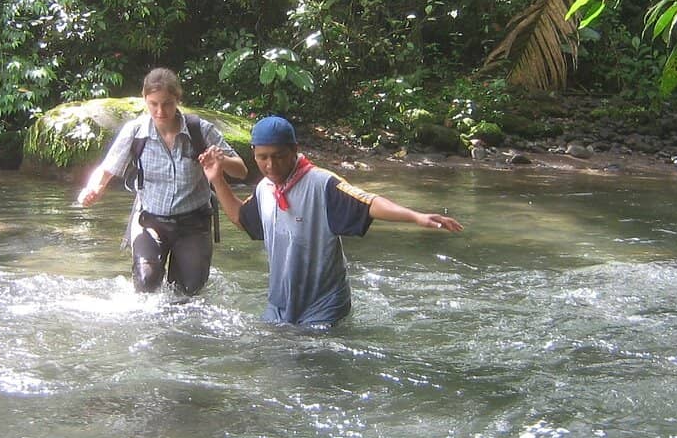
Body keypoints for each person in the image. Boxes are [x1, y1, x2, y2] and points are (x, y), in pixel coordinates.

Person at [200, 115, 463, 328]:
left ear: (294, 150)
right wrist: (217, 179)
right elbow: (241, 219)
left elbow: (368, 203)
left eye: (279, 156)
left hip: (323, 307)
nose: (271, 165)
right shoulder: (264, 189)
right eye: (263, 157)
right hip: (280, 305)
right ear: (254, 153)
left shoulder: (321, 183)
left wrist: (416, 217)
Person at [77, 68, 248, 295]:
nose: (160, 111)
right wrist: (93, 189)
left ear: (177, 99)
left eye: (167, 104)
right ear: (145, 100)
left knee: (187, 292)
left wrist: (221, 160)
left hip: (193, 223)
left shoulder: (200, 130)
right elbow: (106, 170)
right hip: (150, 220)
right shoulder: (136, 132)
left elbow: (241, 171)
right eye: (153, 104)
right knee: (146, 284)